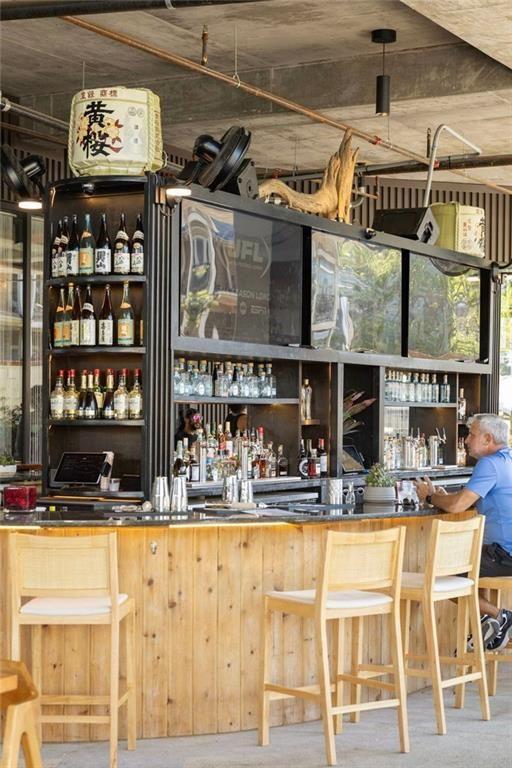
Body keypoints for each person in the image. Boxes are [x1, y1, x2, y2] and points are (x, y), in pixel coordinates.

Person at [415, 413, 512, 652]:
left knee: (441, 574)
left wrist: (429, 496)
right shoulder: (507, 460)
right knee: (463, 568)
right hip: (503, 554)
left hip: (504, 555)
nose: (466, 440)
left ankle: (500, 616)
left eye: (471, 435)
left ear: (488, 439)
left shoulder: (489, 464)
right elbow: (467, 499)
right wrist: (444, 497)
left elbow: (458, 506)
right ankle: (489, 627)